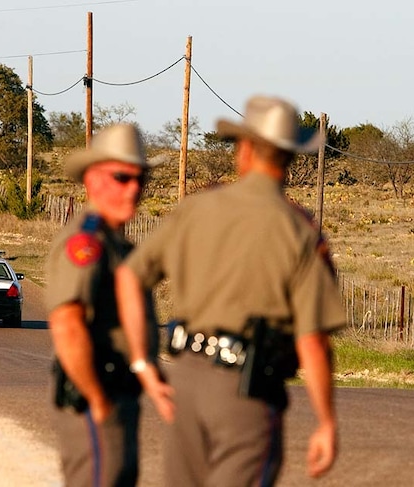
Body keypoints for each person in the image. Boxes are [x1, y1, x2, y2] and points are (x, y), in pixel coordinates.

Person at [115, 95, 346, 486]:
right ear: (290, 158)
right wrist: (326, 422)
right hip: (247, 393)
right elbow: (313, 339)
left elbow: (128, 278)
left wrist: (142, 362)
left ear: (244, 149)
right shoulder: (298, 232)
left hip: (185, 381)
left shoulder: (196, 209)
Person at [46, 123, 160, 487]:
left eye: (140, 179)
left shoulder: (116, 243)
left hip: (119, 394)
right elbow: (67, 323)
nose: (134, 189)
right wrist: (97, 400)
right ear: (93, 180)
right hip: (96, 397)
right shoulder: (87, 243)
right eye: (122, 177)